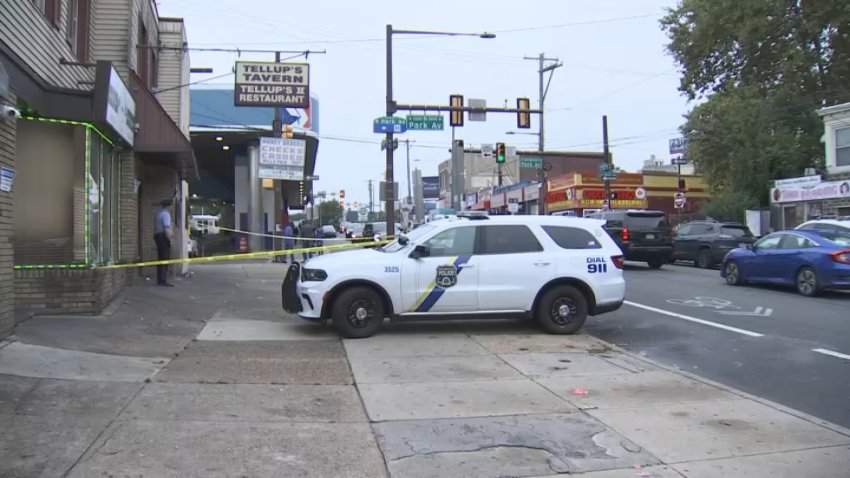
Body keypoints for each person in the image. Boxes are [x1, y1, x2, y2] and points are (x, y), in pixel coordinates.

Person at [153, 199, 174, 287]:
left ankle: (160, 279)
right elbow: (166, 228)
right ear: (169, 206)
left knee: (160, 258)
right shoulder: (166, 215)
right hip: (163, 237)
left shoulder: (158, 214)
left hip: (157, 236)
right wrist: (170, 239)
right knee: (165, 258)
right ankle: (162, 280)